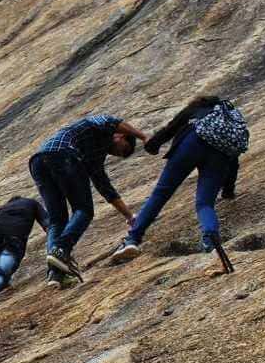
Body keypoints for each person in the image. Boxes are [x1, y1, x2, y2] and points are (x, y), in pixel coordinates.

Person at [111, 96, 246, 263]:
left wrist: (152, 145)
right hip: (219, 154)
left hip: (191, 143)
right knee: (204, 203)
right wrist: (228, 190)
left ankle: (132, 240)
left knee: (161, 193)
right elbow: (234, 156)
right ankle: (211, 241)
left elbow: (171, 128)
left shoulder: (197, 108)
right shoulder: (229, 119)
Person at [29, 114, 147, 282]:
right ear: (120, 135)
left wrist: (129, 215)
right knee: (83, 210)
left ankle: (55, 273)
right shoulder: (98, 126)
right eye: (125, 148)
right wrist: (143, 136)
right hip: (62, 154)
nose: (120, 154)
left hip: (38, 162)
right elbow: (111, 122)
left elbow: (105, 188)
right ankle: (61, 249)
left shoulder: (95, 157)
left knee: (57, 220)